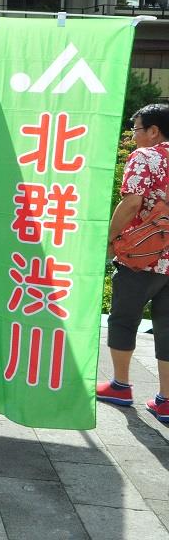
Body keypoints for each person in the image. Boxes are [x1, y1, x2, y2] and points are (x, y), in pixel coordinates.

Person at [98, 104, 169, 425]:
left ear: (154, 131)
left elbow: (132, 202)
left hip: (143, 258)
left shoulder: (146, 157)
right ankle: (166, 401)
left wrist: (110, 238)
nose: (133, 134)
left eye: (137, 128)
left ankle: (121, 386)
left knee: (124, 319)